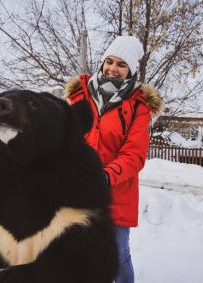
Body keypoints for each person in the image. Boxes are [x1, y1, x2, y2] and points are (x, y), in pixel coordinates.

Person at [64, 35, 163, 283]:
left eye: (121, 64)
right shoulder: (80, 96)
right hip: (77, 191)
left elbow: (134, 154)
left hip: (115, 194)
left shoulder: (139, 106)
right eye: (109, 61)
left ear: (130, 70)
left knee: (116, 255)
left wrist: (105, 176)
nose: (113, 69)